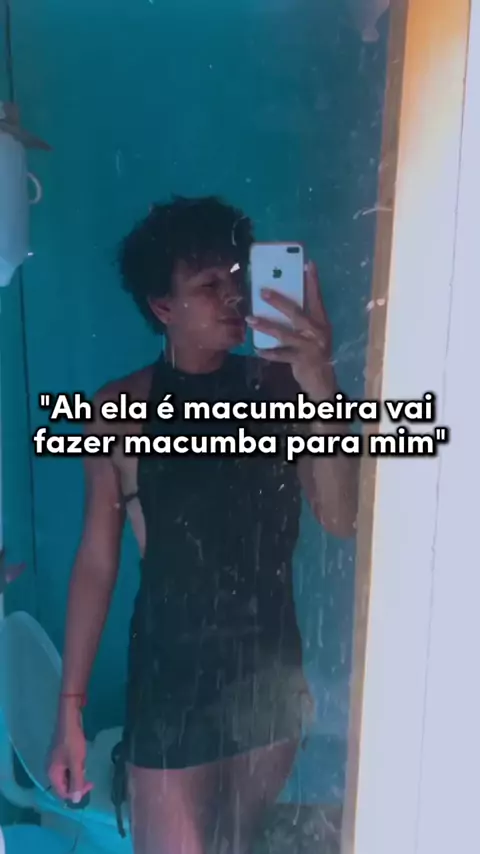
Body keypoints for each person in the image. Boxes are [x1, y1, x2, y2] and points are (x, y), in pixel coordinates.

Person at [48, 196, 358, 854]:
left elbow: (340, 517)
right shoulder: (122, 409)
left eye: (238, 277)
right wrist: (69, 707)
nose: (234, 297)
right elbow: (97, 562)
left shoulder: (285, 388)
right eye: (209, 285)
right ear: (163, 307)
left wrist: (322, 382)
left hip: (268, 679)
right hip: (171, 681)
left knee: (238, 846)